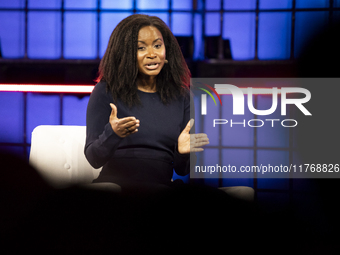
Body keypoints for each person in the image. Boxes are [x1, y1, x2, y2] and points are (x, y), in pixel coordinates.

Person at [84, 14, 209, 189]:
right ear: (126, 54)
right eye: (141, 48)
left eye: (157, 46)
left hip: (161, 189)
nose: (152, 54)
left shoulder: (182, 95)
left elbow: (182, 170)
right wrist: (113, 133)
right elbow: (93, 159)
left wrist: (182, 152)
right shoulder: (106, 91)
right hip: (115, 188)